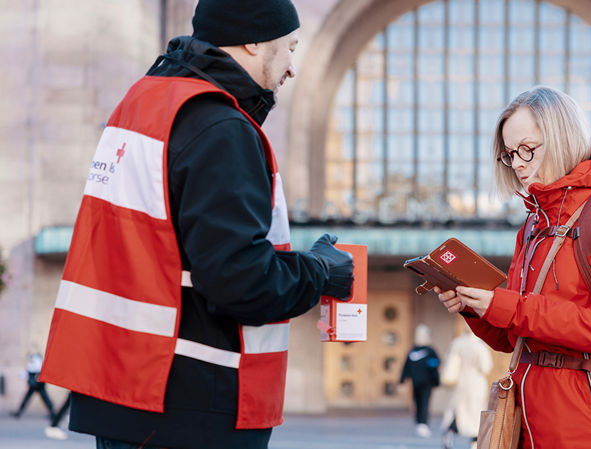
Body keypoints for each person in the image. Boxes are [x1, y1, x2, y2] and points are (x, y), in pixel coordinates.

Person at [37, 1, 354, 448]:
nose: (291, 68)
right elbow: (241, 281)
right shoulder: (219, 126)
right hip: (191, 403)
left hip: (132, 394)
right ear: (253, 41)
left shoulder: (141, 106)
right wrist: (321, 270)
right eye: (289, 49)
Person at [436, 86, 591, 449]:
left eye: (528, 149)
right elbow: (514, 337)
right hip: (533, 419)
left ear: (562, 137)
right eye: (509, 154)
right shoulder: (535, 224)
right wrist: (475, 308)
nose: (518, 163)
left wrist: (503, 305)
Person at [440, 325, 493, 449]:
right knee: (475, 413)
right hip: (476, 384)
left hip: (459, 383)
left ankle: (449, 434)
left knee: (457, 412)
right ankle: (474, 442)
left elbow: (449, 362)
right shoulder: (480, 345)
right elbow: (486, 367)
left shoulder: (456, 343)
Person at [400, 324, 441, 438]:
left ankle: (423, 423)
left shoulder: (430, 350)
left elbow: (437, 362)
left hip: (427, 383)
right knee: (417, 402)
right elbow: (406, 366)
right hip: (415, 382)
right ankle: (418, 422)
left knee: (425, 402)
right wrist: (402, 380)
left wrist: (432, 367)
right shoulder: (413, 351)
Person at [10, 353, 56, 421]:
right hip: (38, 383)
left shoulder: (35, 361)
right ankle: (52, 413)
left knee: (40, 398)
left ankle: (53, 413)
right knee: (43, 398)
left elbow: (32, 370)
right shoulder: (36, 361)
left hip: (37, 383)